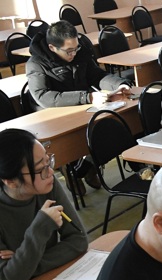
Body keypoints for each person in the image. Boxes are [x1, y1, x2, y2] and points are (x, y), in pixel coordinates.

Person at [25, 20, 133, 194]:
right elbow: (43, 96)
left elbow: (96, 75)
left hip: (82, 106)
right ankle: (70, 169)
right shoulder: (36, 63)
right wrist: (86, 97)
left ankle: (85, 167)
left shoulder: (80, 52)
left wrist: (119, 84)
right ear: (52, 47)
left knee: (109, 127)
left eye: (76, 48)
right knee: (85, 135)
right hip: (53, 114)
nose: (74, 54)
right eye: (69, 51)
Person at [0, 129, 88, 280]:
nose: (50, 173)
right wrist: (41, 226)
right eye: (41, 169)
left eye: (49, 161)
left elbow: (79, 240)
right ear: (11, 182)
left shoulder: (47, 185)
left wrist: (24, 265)